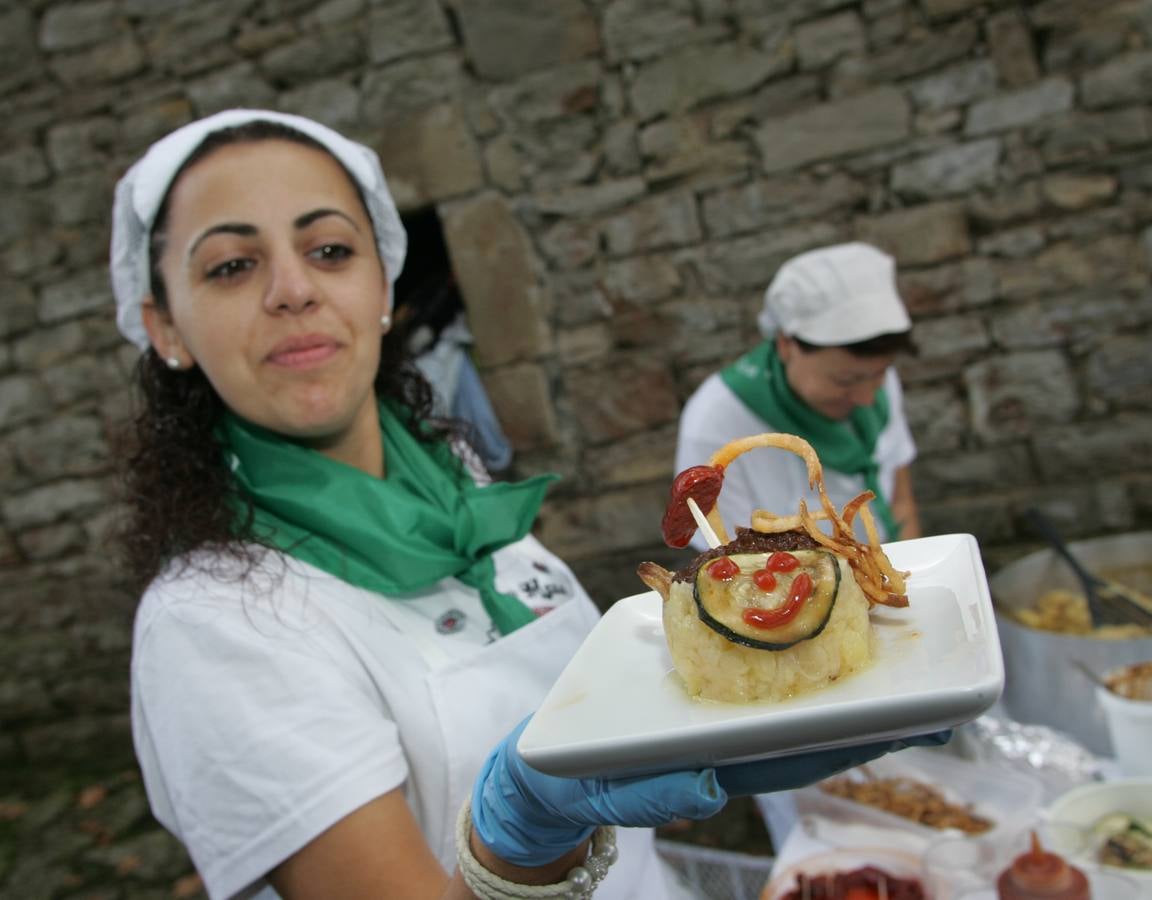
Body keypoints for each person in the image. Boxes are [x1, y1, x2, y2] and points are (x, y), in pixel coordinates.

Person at [112, 110, 943, 900]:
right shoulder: (212, 628)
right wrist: (521, 834)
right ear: (167, 327)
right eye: (231, 265)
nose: (293, 289)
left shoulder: (463, 489)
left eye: (330, 249)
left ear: (383, 288)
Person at [676, 242, 922, 547]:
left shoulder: (877, 383)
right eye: (845, 380)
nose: (866, 398)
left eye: (879, 373)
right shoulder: (714, 425)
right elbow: (728, 558)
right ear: (786, 345)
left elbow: (900, 501)